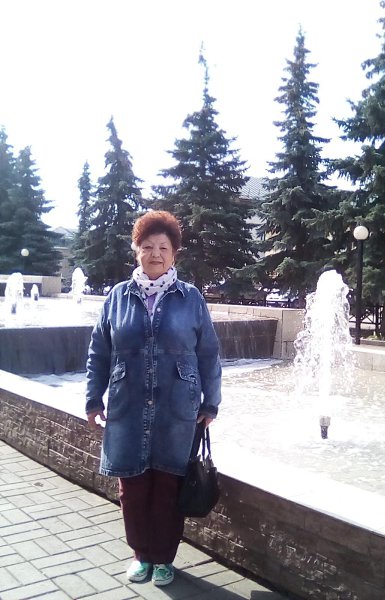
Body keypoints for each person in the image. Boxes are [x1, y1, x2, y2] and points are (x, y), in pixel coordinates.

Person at [85, 210, 222, 587]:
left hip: (177, 408)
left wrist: (211, 402)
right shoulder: (118, 297)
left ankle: (163, 558)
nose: (155, 254)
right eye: (147, 247)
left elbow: (209, 353)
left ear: (174, 253)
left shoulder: (190, 298)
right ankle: (140, 555)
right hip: (127, 405)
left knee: (167, 485)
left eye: (163, 247)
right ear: (137, 251)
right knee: (132, 487)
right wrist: (93, 398)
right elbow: (99, 350)